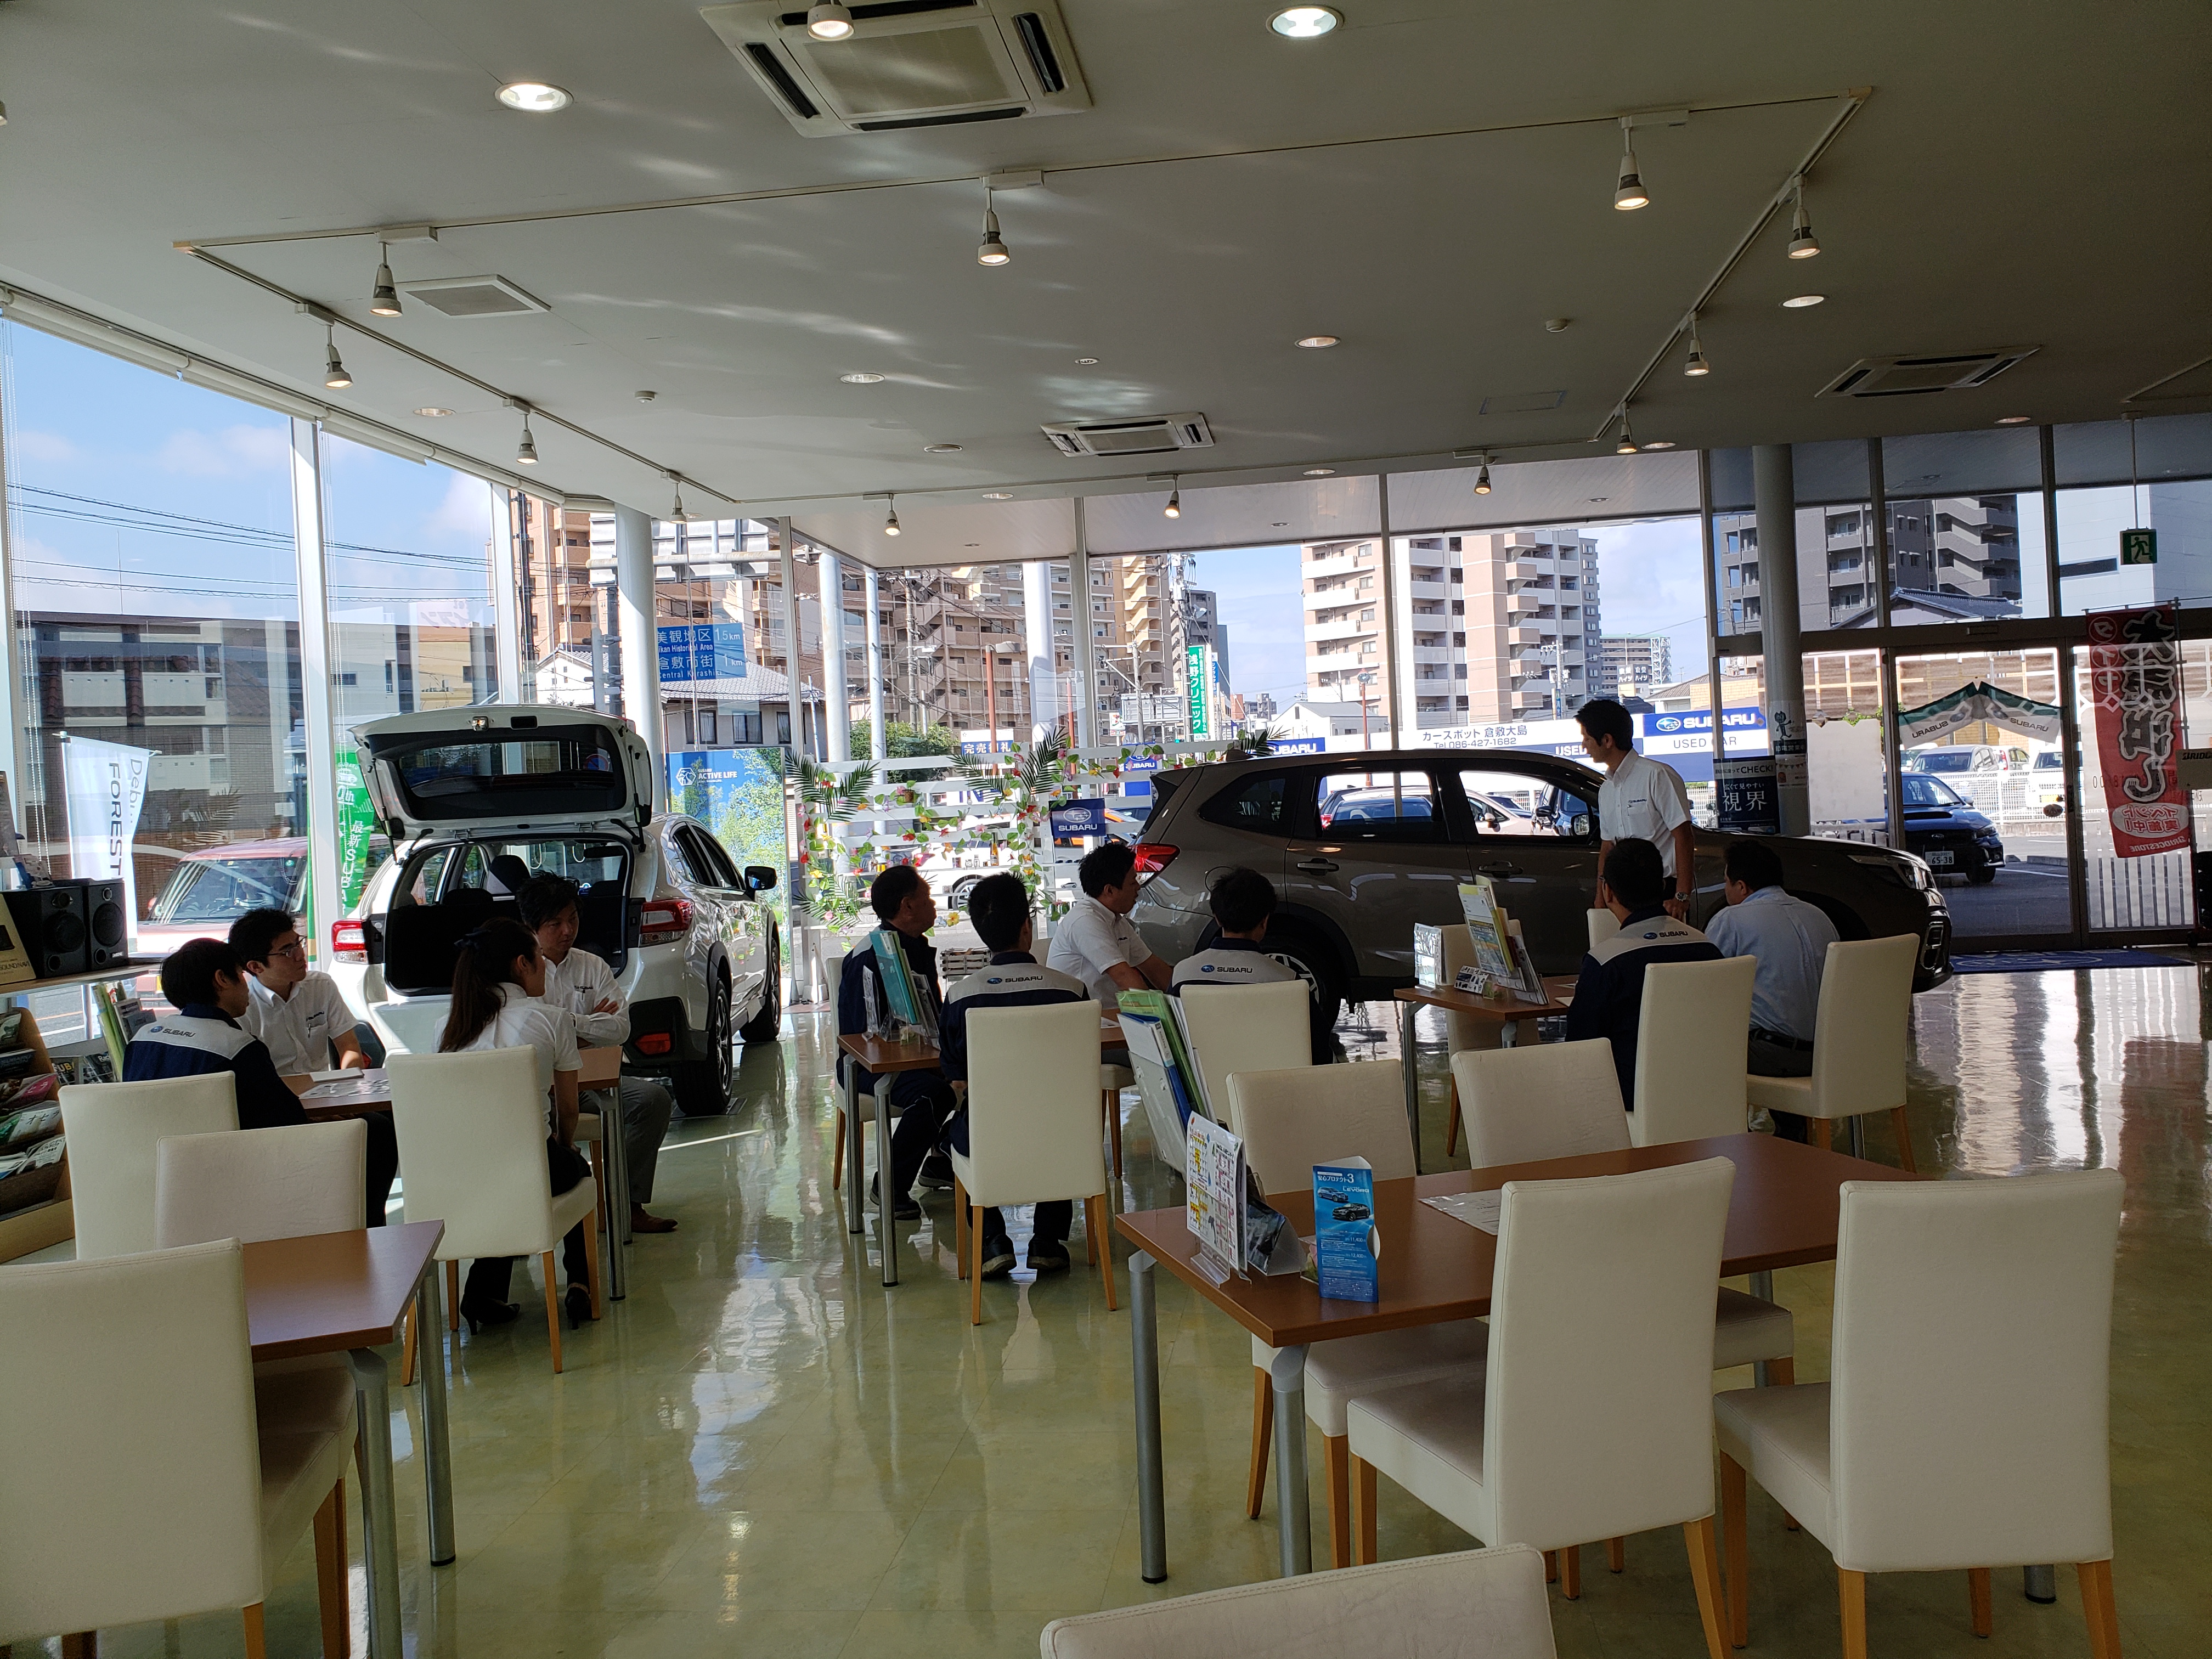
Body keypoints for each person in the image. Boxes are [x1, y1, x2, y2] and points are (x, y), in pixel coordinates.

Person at [126, 937, 398, 1223]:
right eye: (241, 974)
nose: (247, 985)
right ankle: (363, 1234)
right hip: (240, 1170)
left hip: (162, 1171)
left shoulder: (142, 1039)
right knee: (375, 1129)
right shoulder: (238, 1047)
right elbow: (284, 1125)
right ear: (222, 980)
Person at [437, 918, 595, 1332]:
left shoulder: (448, 1028)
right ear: (522, 964)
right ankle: (580, 1282)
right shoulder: (551, 1020)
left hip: (457, 1176)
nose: (545, 966)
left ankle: (482, 1293)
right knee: (575, 1169)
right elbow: (568, 1110)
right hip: (527, 1168)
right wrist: (564, 1143)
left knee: (504, 1179)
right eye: (540, 957)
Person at [936, 873, 1090, 1279]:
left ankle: (992, 1242)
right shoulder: (1071, 991)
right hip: (1060, 1137)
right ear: (1027, 926)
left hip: (990, 1135)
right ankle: (1047, 1242)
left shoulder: (961, 996)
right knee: (1059, 1121)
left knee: (960, 1129)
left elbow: (956, 1079)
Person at [517, 875, 679, 1234]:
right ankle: (536, 1216)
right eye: (555, 924)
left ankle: (624, 1204)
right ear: (530, 926)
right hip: (534, 1088)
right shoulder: (519, 969)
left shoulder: (593, 966)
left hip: (586, 1080)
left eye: (572, 919)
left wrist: (563, 1025)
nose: (567, 931)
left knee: (652, 1100)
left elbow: (619, 1029)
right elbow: (524, 1035)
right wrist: (584, 1026)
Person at [1564, 837, 1723, 1109]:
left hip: (1634, 1100)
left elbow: (1579, 1048)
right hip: (1710, 1095)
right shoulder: (1708, 949)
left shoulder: (1606, 962)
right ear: (1662, 886)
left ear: (1608, 892)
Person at [836, 864, 957, 1221]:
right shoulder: (873, 958)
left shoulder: (914, 946)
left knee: (983, 1072)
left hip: (917, 1056)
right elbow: (865, 1038)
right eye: (928, 898)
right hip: (867, 1066)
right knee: (933, 1094)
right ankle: (890, 1184)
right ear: (907, 906)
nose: (934, 905)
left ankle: (942, 1158)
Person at [1705, 837, 1838, 1142]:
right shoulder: (1820, 916)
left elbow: (1705, 988)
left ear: (1741, 887)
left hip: (1773, 1056)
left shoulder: (1731, 920)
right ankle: (1792, 1138)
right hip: (1829, 1055)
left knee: (1695, 1046)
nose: (1725, 890)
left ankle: (1731, 1146)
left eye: (1726, 882)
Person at [1170, 866, 1333, 1063]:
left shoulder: (1183, 975)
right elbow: (1320, 1053)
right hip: (1267, 1082)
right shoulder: (1287, 981)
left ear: (1217, 918)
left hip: (1202, 1082)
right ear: (1265, 921)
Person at [1577, 697, 1697, 921]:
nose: (1584, 745)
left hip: (1661, 892)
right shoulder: (1607, 789)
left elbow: (1683, 836)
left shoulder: (1657, 775)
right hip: (1622, 895)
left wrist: (1681, 896)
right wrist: (1601, 896)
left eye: (1587, 738)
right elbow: (1607, 846)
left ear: (1607, 740)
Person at [229, 907, 369, 1077]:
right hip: (277, 1091)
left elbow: (349, 1047)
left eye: (298, 943)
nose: (300, 955)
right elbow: (250, 1078)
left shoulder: (321, 986)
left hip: (327, 1087)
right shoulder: (243, 1009)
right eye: (288, 952)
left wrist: (350, 1080)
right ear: (256, 967)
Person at [1047, 843, 1173, 1011]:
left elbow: (1154, 967)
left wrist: (1186, 998)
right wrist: (1161, 1016)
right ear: (1110, 891)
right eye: (1132, 883)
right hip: (1081, 1017)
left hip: (1108, 1013)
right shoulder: (1085, 920)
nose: (1138, 888)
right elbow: (1123, 977)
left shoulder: (1116, 920)